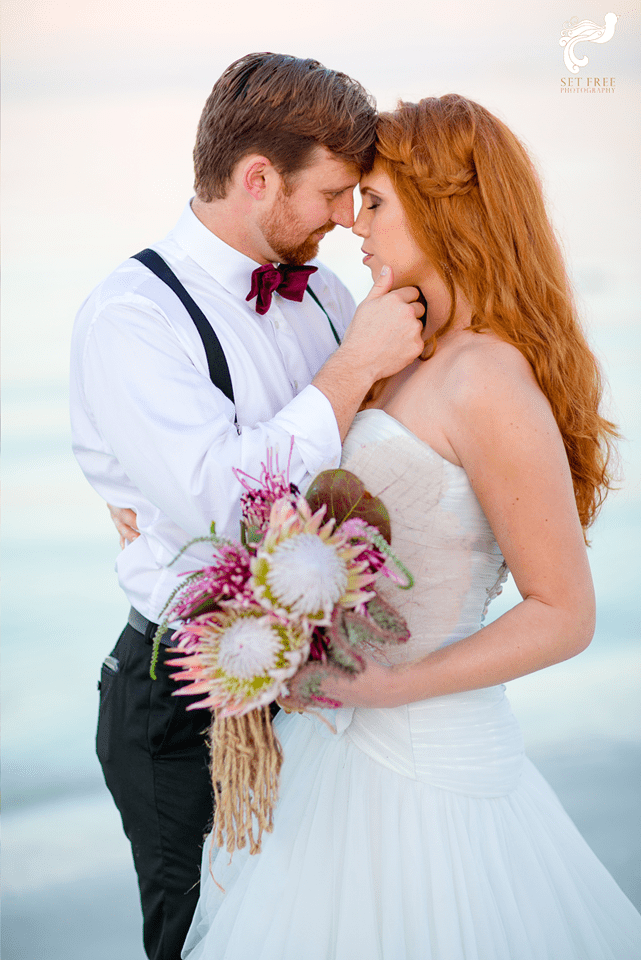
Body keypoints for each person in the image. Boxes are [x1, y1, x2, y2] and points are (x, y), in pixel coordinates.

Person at [180, 95, 641, 959]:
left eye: (378, 203)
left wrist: (390, 688)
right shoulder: (401, 357)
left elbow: (563, 612)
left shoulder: (487, 378)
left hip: (427, 764)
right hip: (334, 755)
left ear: (447, 208)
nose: (355, 223)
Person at [69, 53, 424, 960]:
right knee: (213, 940)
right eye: (334, 194)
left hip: (326, 689)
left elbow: (375, 473)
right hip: (185, 703)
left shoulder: (333, 295)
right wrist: (349, 373)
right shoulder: (131, 317)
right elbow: (225, 511)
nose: (347, 222)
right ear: (257, 179)